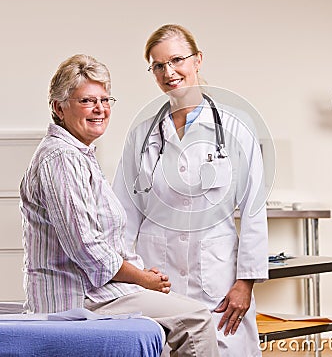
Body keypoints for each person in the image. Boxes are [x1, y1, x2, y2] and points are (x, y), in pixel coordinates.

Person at [19, 54, 220, 357]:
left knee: (164, 338)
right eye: (87, 101)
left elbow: (101, 239)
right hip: (80, 298)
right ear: (59, 108)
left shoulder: (80, 154)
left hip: (101, 292)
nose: (99, 109)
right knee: (196, 321)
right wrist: (143, 279)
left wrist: (141, 275)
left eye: (104, 99)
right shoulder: (60, 158)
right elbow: (87, 250)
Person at [112, 24, 269, 357]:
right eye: (158, 65)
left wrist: (246, 282)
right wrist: (129, 279)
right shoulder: (142, 134)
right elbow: (124, 212)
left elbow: (254, 209)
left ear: (197, 60)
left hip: (218, 278)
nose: (169, 72)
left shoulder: (236, 126)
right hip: (158, 276)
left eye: (177, 60)